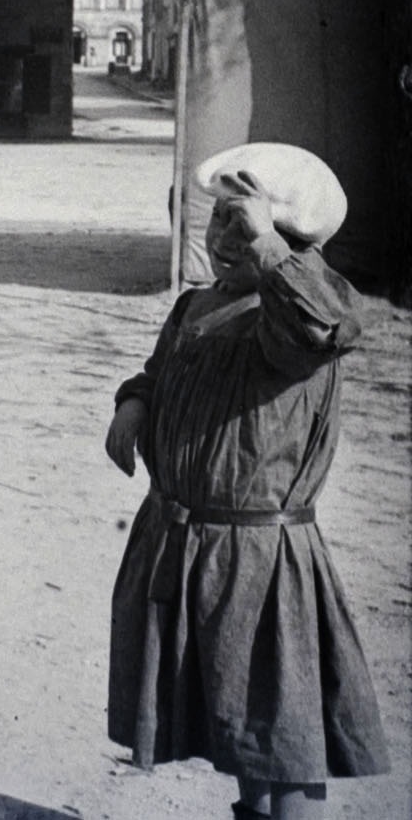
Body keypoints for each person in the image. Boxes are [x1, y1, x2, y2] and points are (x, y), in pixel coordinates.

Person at [104, 143, 389, 819]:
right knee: (233, 718)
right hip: (187, 547)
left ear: (289, 244)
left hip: (258, 559)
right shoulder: (195, 307)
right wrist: (136, 403)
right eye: (219, 220)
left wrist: (270, 251)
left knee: (281, 730)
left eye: (246, 227)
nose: (225, 240)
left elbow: (330, 323)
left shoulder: (294, 319)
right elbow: (160, 371)